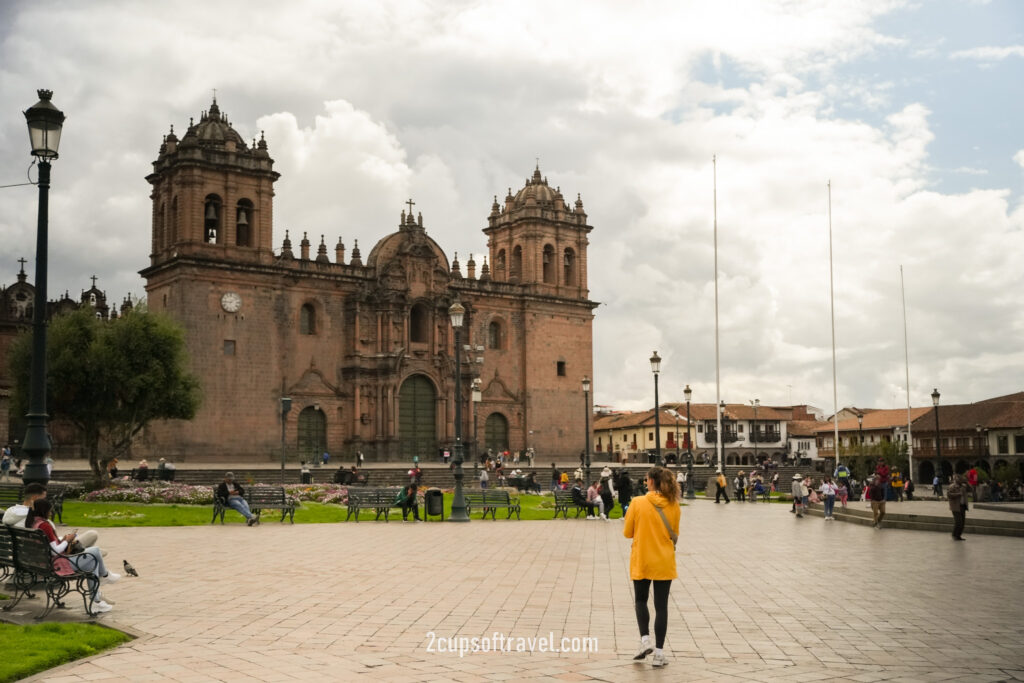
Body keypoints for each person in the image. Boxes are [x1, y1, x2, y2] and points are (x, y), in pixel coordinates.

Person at [623, 466, 679, 668]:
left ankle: (645, 640)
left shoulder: (637, 503)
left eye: (646, 480)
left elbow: (627, 532)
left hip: (643, 559)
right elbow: (675, 533)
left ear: (651, 482)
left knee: (640, 600)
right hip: (664, 560)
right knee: (661, 607)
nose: (645, 482)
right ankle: (660, 654)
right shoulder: (673, 504)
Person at [27, 498, 118, 613]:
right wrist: (68, 540)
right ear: (44, 511)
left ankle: (96, 602)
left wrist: (62, 540)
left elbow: (50, 547)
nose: (51, 513)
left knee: (92, 563)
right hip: (57, 564)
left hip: (45, 562)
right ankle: (105, 575)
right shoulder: (45, 526)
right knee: (95, 551)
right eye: (49, 511)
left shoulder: (35, 523)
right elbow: (55, 552)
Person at [947, 475, 968, 540]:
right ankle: (954, 534)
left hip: (963, 506)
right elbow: (949, 495)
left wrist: (967, 482)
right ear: (956, 480)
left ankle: (958, 535)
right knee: (958, 522)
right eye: (959, 479)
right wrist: (958, 494)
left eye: (961, 479)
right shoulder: (952, 486)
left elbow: (971, 489)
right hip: (956, 506)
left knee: (962, 523)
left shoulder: (964, 486)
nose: (961, 480)